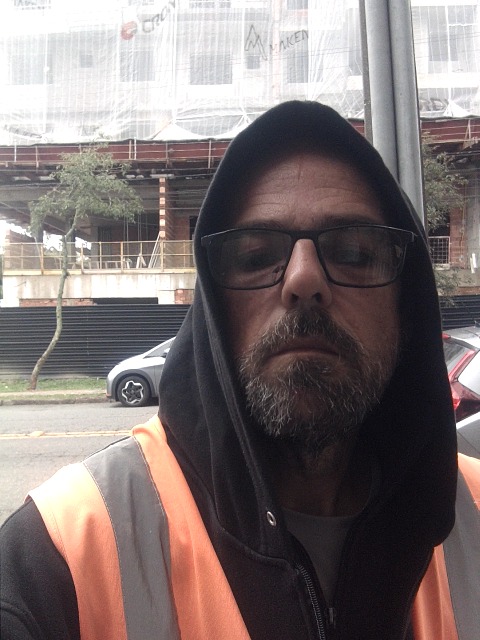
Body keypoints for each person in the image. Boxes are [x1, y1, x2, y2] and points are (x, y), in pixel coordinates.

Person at [1, 101, 479, 640]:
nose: (303, 279)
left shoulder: (475, 509)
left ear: (405, 305)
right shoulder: (61, 552)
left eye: (352, 253)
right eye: (254, 257)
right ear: (213, 307)